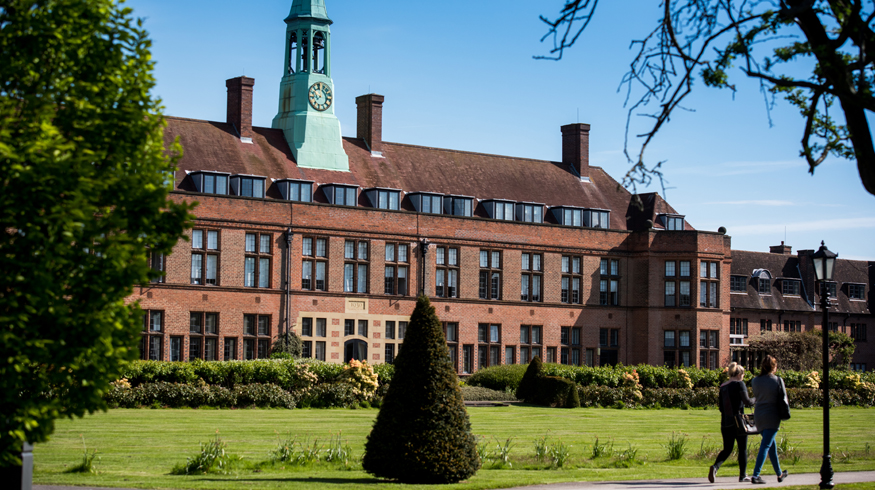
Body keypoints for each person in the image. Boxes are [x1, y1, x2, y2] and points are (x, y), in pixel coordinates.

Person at [709, 362, 755, 483]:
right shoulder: (740, 384)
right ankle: (743, 475)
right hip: (739, 421)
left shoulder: (723, 386)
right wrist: (756, 398)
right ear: (739, 374)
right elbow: (747, 401)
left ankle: (715, 467)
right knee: (742, 449)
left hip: (725, 421)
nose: (744, 376)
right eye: (743, 373)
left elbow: (721, 407)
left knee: (727, 449)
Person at [750, 355, 789, 484]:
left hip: (759, 415)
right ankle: (756, 475)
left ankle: (779, 473)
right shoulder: (777, 380)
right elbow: (783, 397)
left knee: (771, 445)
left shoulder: (755, 381)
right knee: (766, 445)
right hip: (772, 415)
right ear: (773, 366)